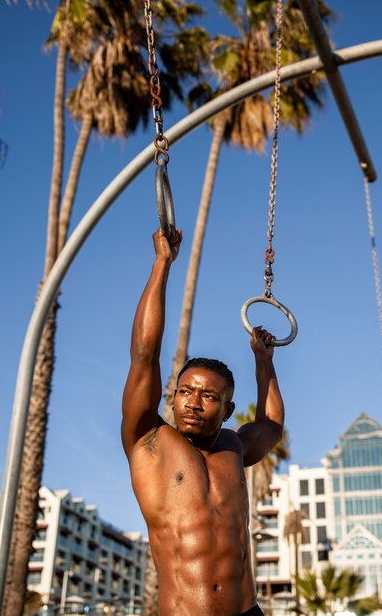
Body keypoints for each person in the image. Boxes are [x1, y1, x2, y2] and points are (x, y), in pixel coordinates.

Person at [121, 228, 285, 616]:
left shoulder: (234, 446)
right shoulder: (150, 442)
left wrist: (265, 362)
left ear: (227, 410)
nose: (193, 402)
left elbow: (272, 426)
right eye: (185, 391)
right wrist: (162, 262)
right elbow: (145, 353)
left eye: (208, 396)